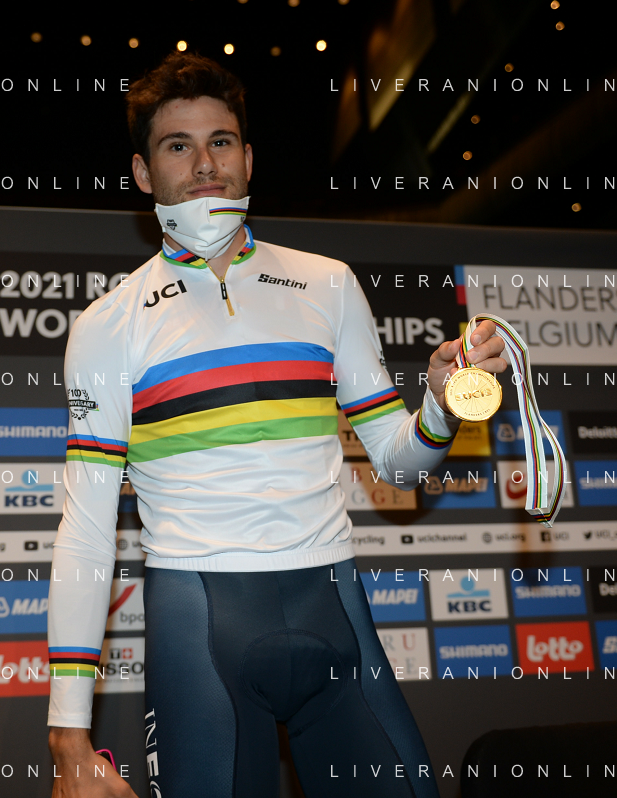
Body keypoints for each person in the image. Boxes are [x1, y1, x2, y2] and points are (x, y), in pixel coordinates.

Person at [47, 51, 507, 798]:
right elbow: (89, 528)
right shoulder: (108, 324)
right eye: (177, 146)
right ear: (142, 173)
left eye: (221, 141)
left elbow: (398, 466)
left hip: (333, 606)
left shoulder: (327, 284)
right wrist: (68, 735)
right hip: (199, 630)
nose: (205, 163)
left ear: (249, 158)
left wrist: (441, 405)